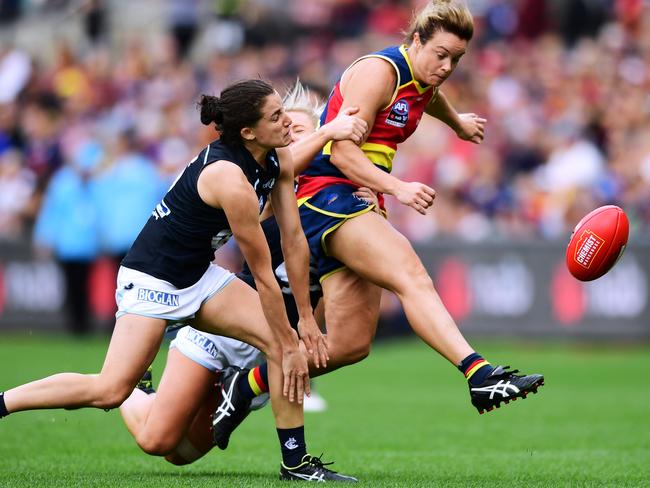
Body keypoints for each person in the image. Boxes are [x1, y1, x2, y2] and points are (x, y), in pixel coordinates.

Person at [212, 0, 545, 448]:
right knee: (411, 275)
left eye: (457, 59)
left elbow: (427, 97)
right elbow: (341, 153)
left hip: (353, 198)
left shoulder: (421, 78)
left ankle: (246, 384)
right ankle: (477, 372)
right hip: (326, 194)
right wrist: (401, 187)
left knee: (350, 344)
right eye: (441, 54)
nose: (447, 67)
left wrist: (458, 123)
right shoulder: (379, 72)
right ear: (415, 41)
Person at [0, 79, 357, 482]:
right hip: (153, 281)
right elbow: (260, 271)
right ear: (247, 132)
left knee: (282, 344)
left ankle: (295, 462)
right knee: (110, 392)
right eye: (276, 117)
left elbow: (293, 242)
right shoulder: (229, 177)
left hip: (199, 277)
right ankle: (4, 402)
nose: (288, 124)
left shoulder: (277, 159)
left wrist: (305, 321)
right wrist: (295, 337)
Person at [117, 81, 370, 467]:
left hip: (269, 344)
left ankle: (289, 454)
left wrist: (374, 197)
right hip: (226, 329)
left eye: (299, 129)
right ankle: (133, 386)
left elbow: (332, 307)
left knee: (183, 455)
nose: (290, 133)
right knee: (160, 442)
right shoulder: (264, 188)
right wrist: (323, 133)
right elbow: (287, 168)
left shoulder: (340, 210)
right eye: (289, 127)